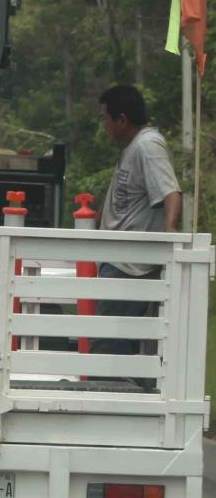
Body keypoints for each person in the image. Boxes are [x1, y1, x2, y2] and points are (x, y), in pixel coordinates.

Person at [93, 85, 183, 357]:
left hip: (129, 266)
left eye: (106, 118)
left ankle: (117, 396)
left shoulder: (148, 145)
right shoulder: (132, 147)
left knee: (109, 347)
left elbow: (171, 192)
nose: (104, 125)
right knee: (118, 343)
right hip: (117, 261)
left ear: (122, 119)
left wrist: (169, 240)